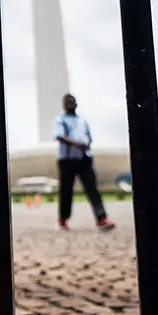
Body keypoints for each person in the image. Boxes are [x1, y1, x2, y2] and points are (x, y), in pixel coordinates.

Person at [53, 94, 115, 231]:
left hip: (84, 159)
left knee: (92, 189)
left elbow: (89, 137)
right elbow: (59, 136)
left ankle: (102, 218)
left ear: (76, 104)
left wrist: (85, 145)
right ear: (64, 105)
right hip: (67, 160)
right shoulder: (60, 120)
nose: (70, 104)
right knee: (66, 191)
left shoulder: (83, 121)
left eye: (72, 102)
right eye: (67, 102)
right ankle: (63, 218)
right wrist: (77, 144)